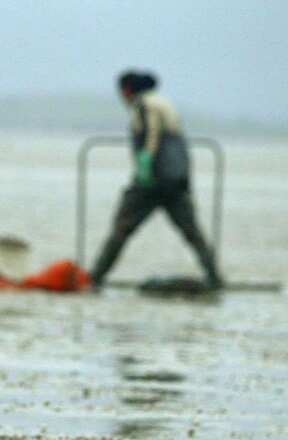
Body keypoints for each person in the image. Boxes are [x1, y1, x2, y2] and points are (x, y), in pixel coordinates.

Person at [90, 71, 224, 289]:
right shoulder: (163, 103)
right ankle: (215, 277)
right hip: (176, 182)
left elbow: (152, 135)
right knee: (192, 232)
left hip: (151, 182)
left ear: (126, 90)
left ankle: (95, 278)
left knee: (121, 230)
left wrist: (145, 162)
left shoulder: (144, 105)